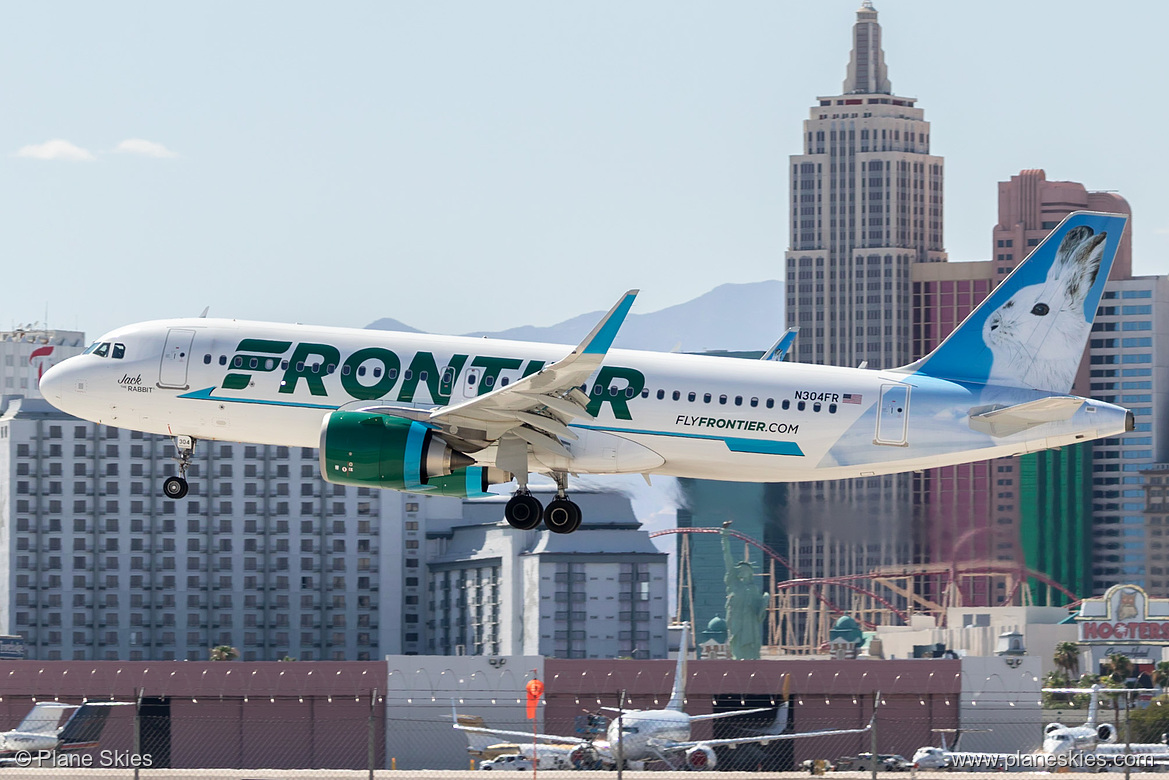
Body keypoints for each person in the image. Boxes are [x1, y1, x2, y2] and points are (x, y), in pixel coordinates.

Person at [721, 524, 768, 660]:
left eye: (743, 569)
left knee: (752, 648)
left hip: (750, 623)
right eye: (739, 570)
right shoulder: (734, 583)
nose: (740, 571)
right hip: (736, 620)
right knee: (736, 646)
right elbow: (728, 559)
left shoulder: (753, 589)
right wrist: (725, 537)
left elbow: (759, 610)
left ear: (749, 572)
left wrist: (764, 602)